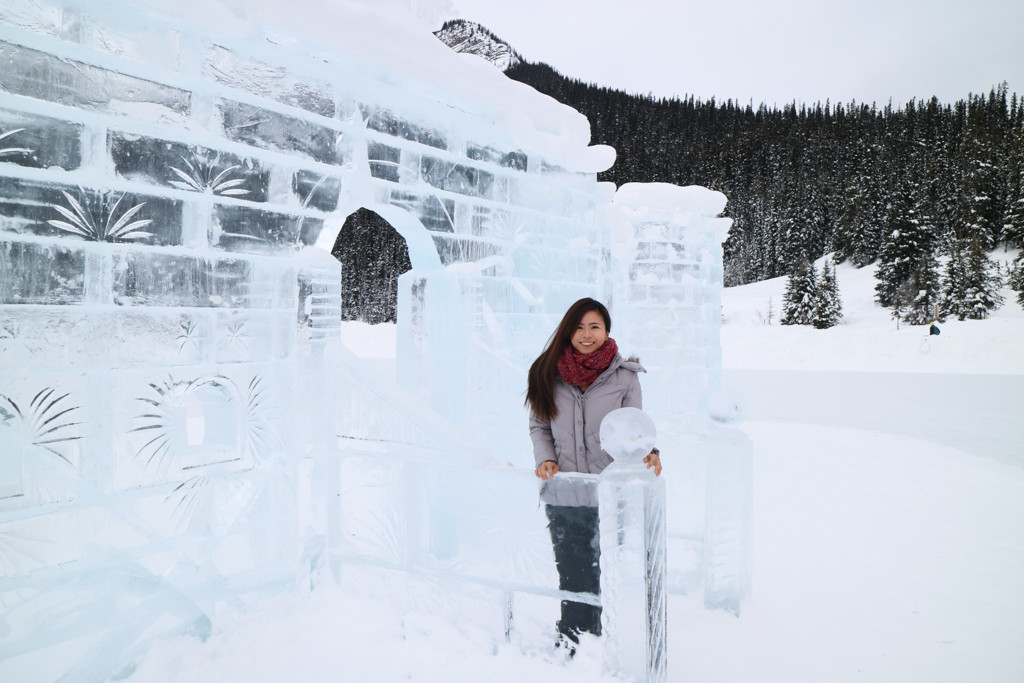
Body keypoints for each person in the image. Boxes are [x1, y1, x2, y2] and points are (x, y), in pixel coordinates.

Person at [525, 297, 661, 652]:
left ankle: (600, 639)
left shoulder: (624, 377)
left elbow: (634, 429)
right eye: (579, 327)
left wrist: (651, 453)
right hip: (564, 490)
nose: (587, 335)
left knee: (603, 568)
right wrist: (546, 459)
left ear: (607, 331)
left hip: (609, 491)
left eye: (595, 327)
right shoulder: (547, 372)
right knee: (571, 568)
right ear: (568, 330)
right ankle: (572, 639)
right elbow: (539, 426)